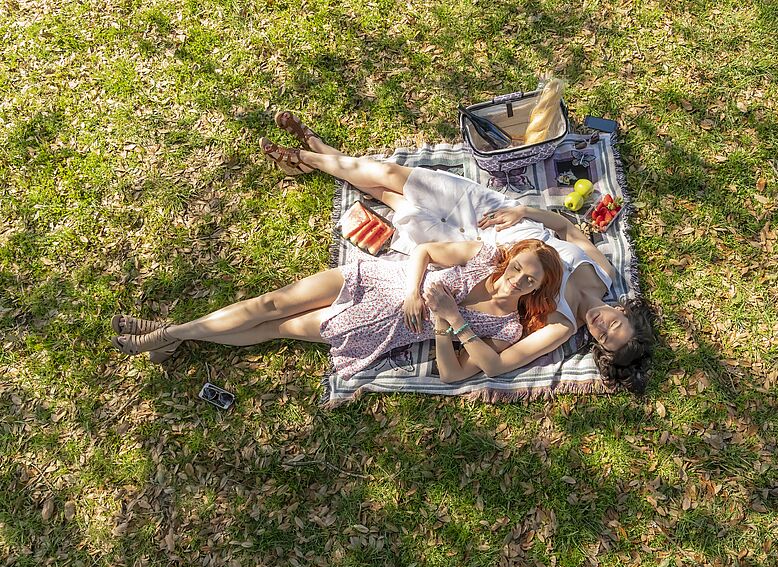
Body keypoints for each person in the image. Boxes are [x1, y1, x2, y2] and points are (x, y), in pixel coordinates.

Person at [259, 111, 653, 391]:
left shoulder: (560, 325)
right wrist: (522, 210)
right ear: (623, 311)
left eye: (603, 338)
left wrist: (453, 323)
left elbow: (494, 362)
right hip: (500, 221)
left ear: (597, 346)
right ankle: (312, 155)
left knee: (399, 203)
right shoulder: (604, 274)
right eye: (615, 325)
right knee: (397, 178)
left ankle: (313, 155)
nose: (602, 326)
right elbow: (567, 226)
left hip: (479, 259)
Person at [111, 238, 563, 383]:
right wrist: (412, 292)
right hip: (375, 280)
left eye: (531, 280)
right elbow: (424, 251)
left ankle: (167, 336)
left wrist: (448, 323)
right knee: (266, 302)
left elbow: (454, 374)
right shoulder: (484, 255)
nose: (518, 278)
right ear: (513, 257)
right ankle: (168, 335)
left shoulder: (506, 325)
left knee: (277, 327)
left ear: (539, 290)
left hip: (374, 326)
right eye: (520, 266)